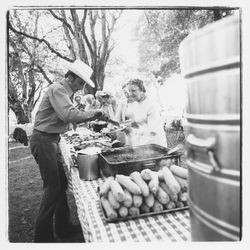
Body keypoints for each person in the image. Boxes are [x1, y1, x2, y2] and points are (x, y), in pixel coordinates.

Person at [29, 59, 108, 242]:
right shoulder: (58, 89)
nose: (81, 88)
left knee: (61, 185)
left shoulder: (64, 92)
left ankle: (63, 227)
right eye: (80, 83)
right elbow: (68, 115)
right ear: (70, 77)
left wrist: (86, 114)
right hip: (44, 140)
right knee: (52, 188)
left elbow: (68, 117)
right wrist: (94, 113)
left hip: (52, 140)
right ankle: (42, 238)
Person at [125, 78, 167, 147]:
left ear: (142, 90)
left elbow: (153, 132)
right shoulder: (136, 104)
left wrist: (133, 128)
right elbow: (139, 124)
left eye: (133, 90)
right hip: (143, 143)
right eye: (129, 91)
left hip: (155, 144)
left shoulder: (152, 105)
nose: (130, 94)